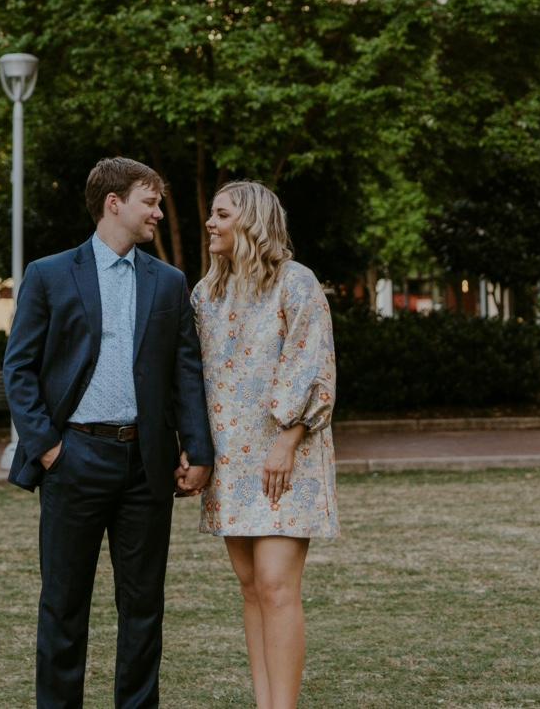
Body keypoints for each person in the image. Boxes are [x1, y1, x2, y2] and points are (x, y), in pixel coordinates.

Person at [3, 156, 214, 709]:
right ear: (114, 204)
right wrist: (47, 447)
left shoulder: (169, 282)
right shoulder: (49, 274)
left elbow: (186, 371)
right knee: (63, 605)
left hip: (147, 465)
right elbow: (18, 369)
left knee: (143, 607)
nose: (159, 213)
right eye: (151, 202)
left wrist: (198, 448)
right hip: (73, 459)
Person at [192, 180, 337, 709]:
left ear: (251, 221)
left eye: (221, 214)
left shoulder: (296, 284)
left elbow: (314, 366)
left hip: (286, 456)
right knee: (251, 587)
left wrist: (288, 439)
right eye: (212, 214)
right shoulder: (206, 294)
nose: (210, 223)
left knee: (277, 585)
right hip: (231, 460)